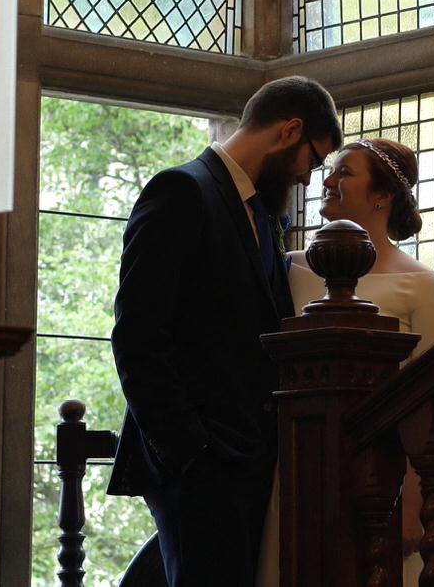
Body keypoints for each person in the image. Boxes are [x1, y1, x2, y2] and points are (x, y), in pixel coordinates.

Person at [109, 76, 342, 586]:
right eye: (314, 159)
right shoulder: (181, 191)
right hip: (202, 469)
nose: (309, 178)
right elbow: (137, 335)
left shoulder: (260, 213)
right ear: (290, 130)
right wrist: (193, 455)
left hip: (252, 466)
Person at [259, 137, 434, 587]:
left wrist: (416, 496)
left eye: (344, 173)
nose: (327, 180)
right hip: (306, 472)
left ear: (382, 196)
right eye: (329, 171)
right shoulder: (292, 270)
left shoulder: (421, 284)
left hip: (399, 478)